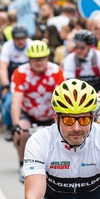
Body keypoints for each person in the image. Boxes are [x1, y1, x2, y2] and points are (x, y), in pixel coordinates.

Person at [11, 41, 65, 178]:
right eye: (35, 59)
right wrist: (16, 124)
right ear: (29, 59)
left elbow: (63, 97)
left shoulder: (56, 71)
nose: (38, 62)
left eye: (41, 58)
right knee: (22, 132)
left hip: (51, 113)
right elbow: (16, 100)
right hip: (29, 113)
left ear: (47, 57)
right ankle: (22, 164)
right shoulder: (20, 72)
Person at [0, 25, 31, 140]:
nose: (20, 41)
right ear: (13, 39)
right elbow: (2, 67)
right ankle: (10, 127)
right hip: (13, 82)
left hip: (29, 81)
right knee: (8, 103)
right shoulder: (7, 47)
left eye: (22, 38)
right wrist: (6, 85)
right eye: (17, 39)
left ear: (26, 37)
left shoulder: (31, 45)